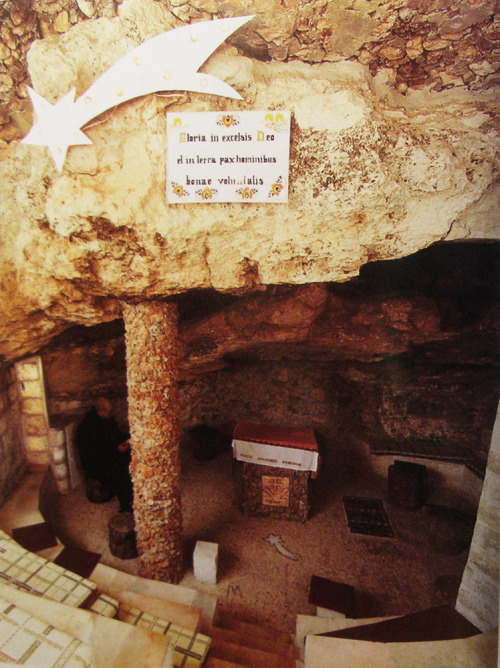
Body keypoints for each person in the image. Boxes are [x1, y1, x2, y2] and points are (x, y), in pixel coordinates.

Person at [76, 397, 133, 512]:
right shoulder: (88, 427)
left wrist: (126, 439)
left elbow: (115, 435)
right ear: (101, 411)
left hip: (110, 454)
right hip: (97, 465)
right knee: (120, 471)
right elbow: (95, 453)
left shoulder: (106, 418)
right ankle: (125, 506)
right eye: (109, 411)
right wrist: (117, 451)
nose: (112, 414)